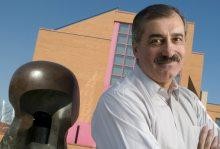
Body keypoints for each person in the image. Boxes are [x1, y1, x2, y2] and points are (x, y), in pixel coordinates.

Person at [92, 4, 220, 149]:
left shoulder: (191, 101)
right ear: (136, 50)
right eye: (156, 41)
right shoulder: (119, 101)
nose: (169, 51)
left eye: (177, 39)